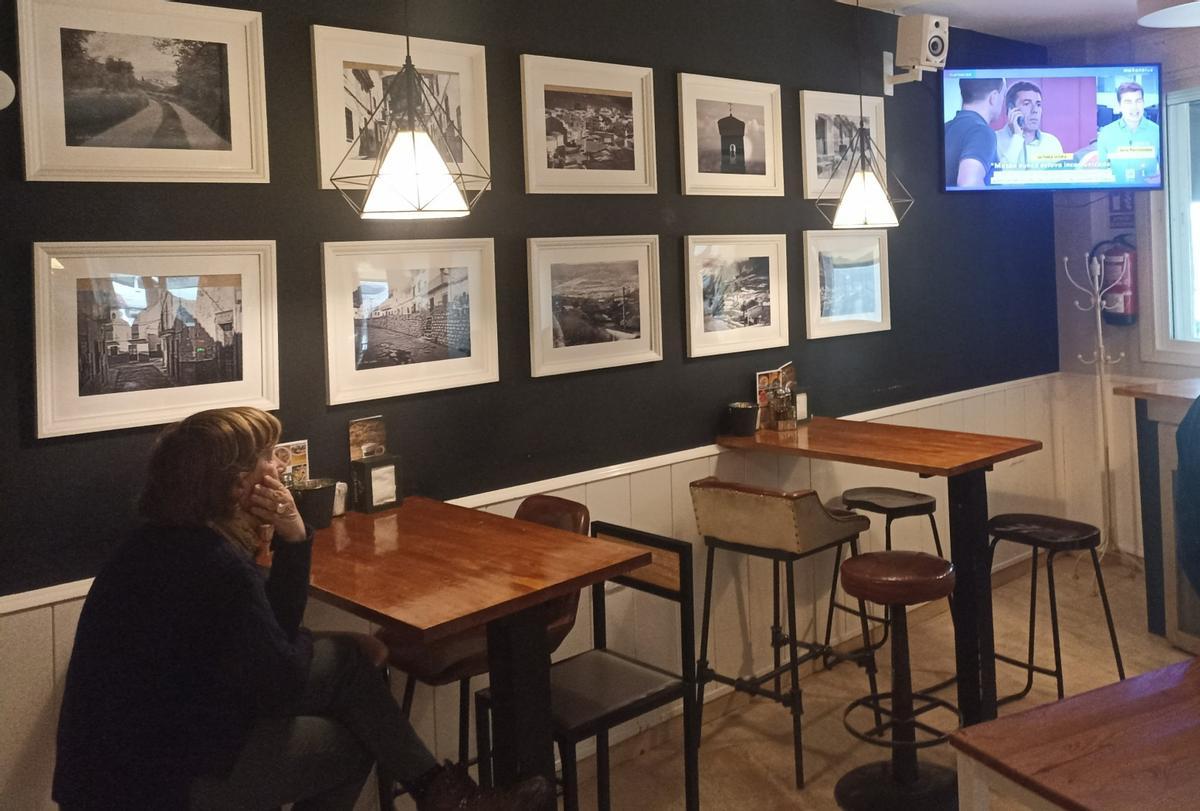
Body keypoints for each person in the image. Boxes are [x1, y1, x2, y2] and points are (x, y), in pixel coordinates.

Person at [52, 406, 551, 810]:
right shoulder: (213, 564)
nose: (279, 467)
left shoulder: (157, 541)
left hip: (137, 744)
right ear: (234, 484)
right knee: (352, 743)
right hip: (154, 777)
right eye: (267, 458)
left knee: (353, 664)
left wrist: (293, 538)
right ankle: (450, 799)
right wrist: (297, 642)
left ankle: (448, 799)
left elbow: (270, 636)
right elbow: (281, 684)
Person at [1096, 81, 1161, 184]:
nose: (1134, 107)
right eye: (1128, 102)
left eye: (1138, 101)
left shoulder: (1158, 132)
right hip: (1114, 191)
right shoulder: (1106, 133)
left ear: (1143, 102)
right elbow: (1101, 173)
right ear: (1119, 106)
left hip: (1149, 193)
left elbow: (1168, 169)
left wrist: (1161, 179)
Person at [944, 77, 1005, 188]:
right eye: (1003, 96)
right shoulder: (982, 132)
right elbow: (968, 184)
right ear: (994, 97)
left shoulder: (945, 127)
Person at [996, 81, 1065, 168]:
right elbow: (1001, 176)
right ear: (1011, 109)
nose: (1035, 110)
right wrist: (1017, 138)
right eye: (1027, 104)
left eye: (1038, 104)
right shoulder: (995, 141)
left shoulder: (1051, 142)